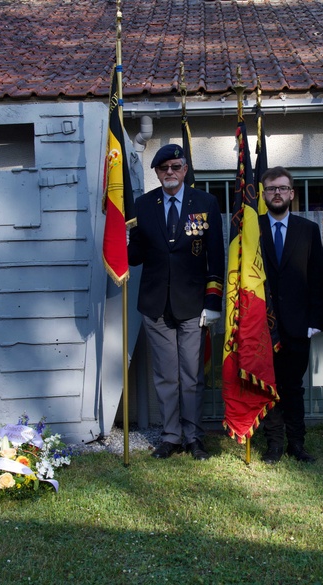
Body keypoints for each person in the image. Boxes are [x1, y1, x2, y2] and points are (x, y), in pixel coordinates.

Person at [128, 144, 224, 461]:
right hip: (156, 305)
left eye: (176, 167)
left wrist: (213, 303)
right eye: (164, 168)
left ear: (185, 170)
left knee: (192, 375)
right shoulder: (143, 206)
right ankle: (171, 437)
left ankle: (194, 436)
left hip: (193, 305)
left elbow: (215, 258)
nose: (170, 172)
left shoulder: (206, 203)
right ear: (156, 172)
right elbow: (136, 256)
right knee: (167, 376)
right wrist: (121, 237)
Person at [257, 166, 323, 464]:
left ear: (292, 193)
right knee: (269, 385)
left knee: (294, 387)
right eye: (271, 188)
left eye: (282, 188)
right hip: (262, 323)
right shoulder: (251, 228)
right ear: (264, 193)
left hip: (298, 324)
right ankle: (274, 443)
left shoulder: (308, 230)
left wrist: (314, 320)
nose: (277, 193)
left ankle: (296, 444)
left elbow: (316, 277)